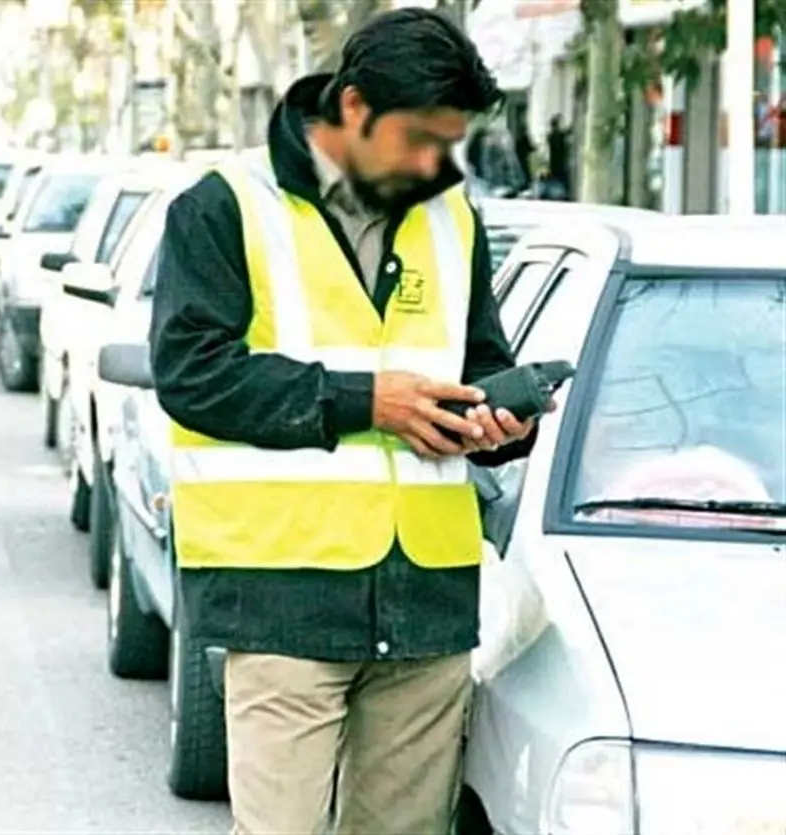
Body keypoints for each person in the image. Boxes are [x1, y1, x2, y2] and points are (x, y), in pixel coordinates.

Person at [149, 8, 549, 834]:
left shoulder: (454, 218)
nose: (436, 163)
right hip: (282, 600)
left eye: (450, 143)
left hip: (428, 603)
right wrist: (369, 401)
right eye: (420, 140)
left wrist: (502, 416)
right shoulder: (225, 208)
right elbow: (193, 375)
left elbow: (477, 359)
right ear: (356, 108)